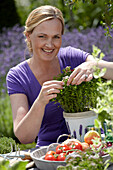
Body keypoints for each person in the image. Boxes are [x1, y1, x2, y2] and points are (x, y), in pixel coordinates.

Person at [6, 5, 113, 147]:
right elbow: (24, 137)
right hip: (52, 153)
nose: (50, 44)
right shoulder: (18, 76)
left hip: (90, 146)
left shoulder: (71, 57)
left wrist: (94, 65)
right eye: (42, 36)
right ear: (28, 36)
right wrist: (40, 101)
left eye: (56, 37)